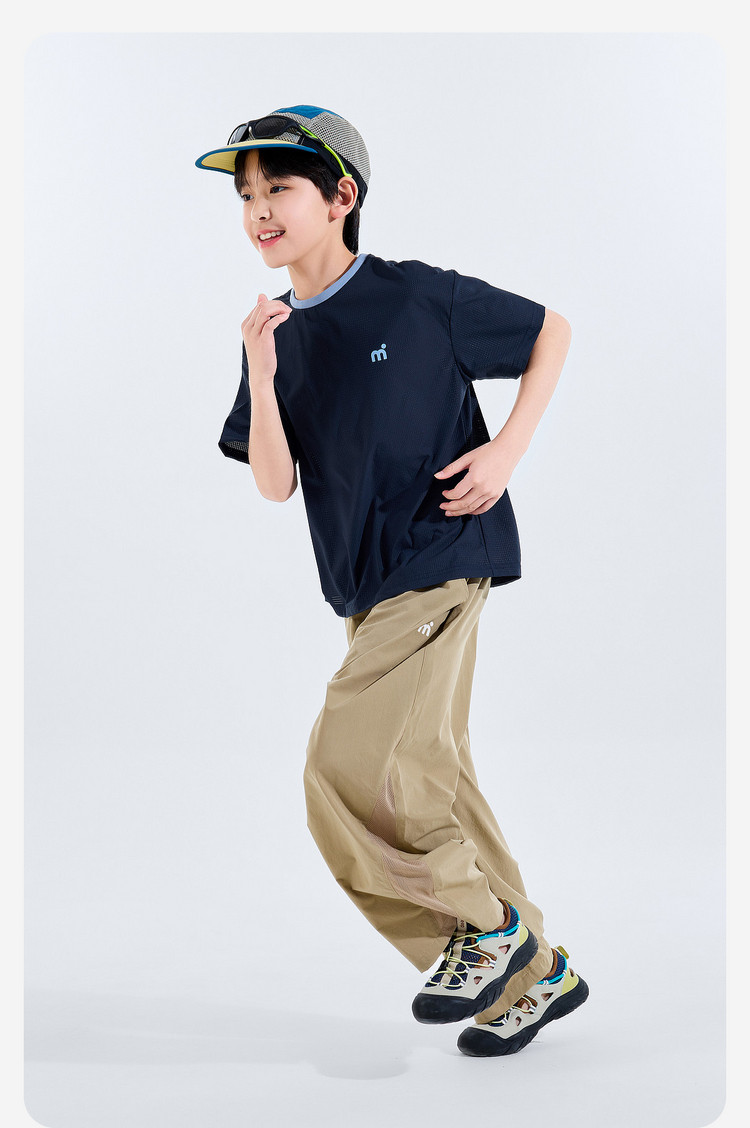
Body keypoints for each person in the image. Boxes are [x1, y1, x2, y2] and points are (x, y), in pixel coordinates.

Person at [195, 105, 588, 1057]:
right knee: (435, 778)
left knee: (345, 769)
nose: (258, 210)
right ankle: (539, 975)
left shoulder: (415, 298)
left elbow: (551, 331)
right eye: (245, 195)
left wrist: (506, 450)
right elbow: (275, 483)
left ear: (342, 196)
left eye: (279, 187)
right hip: (369, 590)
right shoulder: (274, 334)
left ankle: (484, 928)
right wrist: (260, 366)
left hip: (440, 556)